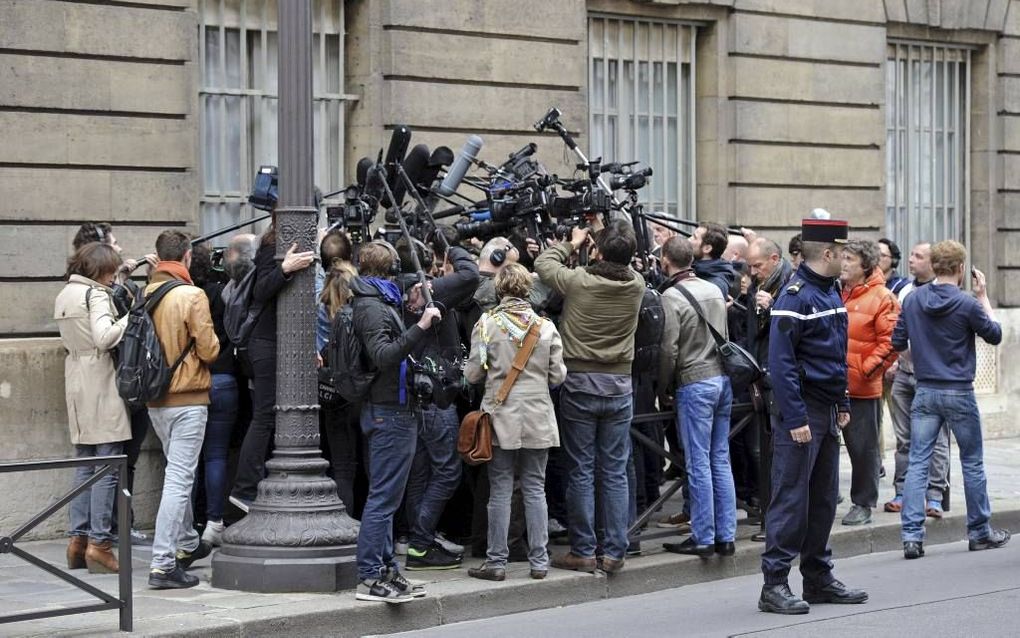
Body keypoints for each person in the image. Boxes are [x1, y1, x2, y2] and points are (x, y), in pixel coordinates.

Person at [759, 217, 868, 615]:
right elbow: (781, 365)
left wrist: (841, 402)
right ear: (827, 253)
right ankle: (774, 584)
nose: (846, 259)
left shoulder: (830, 292)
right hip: (801, 413)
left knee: (822, 499)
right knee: (791, 499)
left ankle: (818, 577)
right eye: (842, 253)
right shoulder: (796, 297)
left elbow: (835, 356)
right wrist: (795, 417)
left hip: (824, 410)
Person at [535, 221, 645, 574]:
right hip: (619, 385)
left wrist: (572, 243)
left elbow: (542, 265)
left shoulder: (579, 280)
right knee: (614, 471)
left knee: (580, 469)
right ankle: (614, 551)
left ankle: (583, 550)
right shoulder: (637, 285)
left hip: (580, 382)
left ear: (597, 251)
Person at [893, 240, 1009, 559]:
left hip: (925, 388)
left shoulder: (914, 300)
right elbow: (995, 334)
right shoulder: (967, 303)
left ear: (934, 265)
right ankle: (979, 531)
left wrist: (920, 362)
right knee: (971, 462)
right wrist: (983, 296)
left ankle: (912, 537)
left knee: (918, 462)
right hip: (958, 389)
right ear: (960, 269)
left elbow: (898, 341)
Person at [464, 263, 567, 581]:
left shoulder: (486, 324)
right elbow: (558, 375)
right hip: (538, 415)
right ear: (527, 290)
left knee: (500, 490)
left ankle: (496, 562)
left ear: (499, 290)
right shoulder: (546, 327)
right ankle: (539, 561)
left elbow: (473, 374)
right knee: (535, 488)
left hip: (501, 416)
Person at [351, 241, 440, 604]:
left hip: (394, 408)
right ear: (388, 270)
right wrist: (419, 325)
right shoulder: (371, 306)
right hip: (388, 410)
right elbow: (385, 355)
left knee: (388, 497)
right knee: (383, 499)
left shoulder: (381, 299)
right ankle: (369, 576)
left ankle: (386, 568)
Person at [72, 222, 157, 544]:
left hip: (88, 383)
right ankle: (105, 535)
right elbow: (108, 334)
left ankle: (84, 536)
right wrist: (134, 305)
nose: (120, 250)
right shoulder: (97, 295)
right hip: (118, 382)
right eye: (114, 245)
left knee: (91, 460)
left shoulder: (75, 291)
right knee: (116, 459)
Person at [145, 230, 220, 589]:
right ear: (187, 257)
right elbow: (209, 351)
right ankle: (162, 564)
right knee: (179, 479)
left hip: (154, 398)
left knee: (177, 472)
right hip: (187, 398)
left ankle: (188, 542)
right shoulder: (192, 295)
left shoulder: (145, 293)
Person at [399, 237, 479, 570]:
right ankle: (420, 541)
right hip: (437, 394)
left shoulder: (392, 290)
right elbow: (471, 275)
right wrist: (452, 246)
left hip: (412, 393)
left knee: (420, 473)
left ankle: (419, 541)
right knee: (447, 471)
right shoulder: (429, 291)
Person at [656, 237, 736, 557]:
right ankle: (726, 534)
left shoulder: (671, 296)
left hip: (694, 381)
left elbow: (668, 349)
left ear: (665, 261)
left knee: (698, 462)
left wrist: (663, 387)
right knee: (720, 458)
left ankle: (703, 536)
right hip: (721, 379)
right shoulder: (714, 290)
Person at [229, 220, 316, 512]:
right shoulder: (270, 247)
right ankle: (244, 488)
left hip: (274, 344)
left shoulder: (281, 244)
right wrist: (284, 269)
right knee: (264, 415)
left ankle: (254, 484)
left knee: (268, 414)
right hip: (264, 343)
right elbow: (262, 290)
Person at [55, 242, 130, 574]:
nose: (113, 276)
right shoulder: (96, 295)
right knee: (107, 466)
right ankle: (100, 545)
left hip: (75, 379)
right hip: (101, 379)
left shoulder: (65, 294)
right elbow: (104, 337)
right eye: (111, 270)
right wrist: (130, 318)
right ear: (101, 269)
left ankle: (77, 542)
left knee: (85, 463)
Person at [884, 243, 950, 516]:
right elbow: (897, 332)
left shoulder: (946, 294)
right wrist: (896, 361)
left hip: (932, 379)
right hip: (904, 375)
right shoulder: (906, 291)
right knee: (904, 439)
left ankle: (934, 496)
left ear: (933, 263)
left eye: (918, 256)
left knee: (937, 440)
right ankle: (903, 491)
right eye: (910, 255)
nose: (911, 260)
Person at [838, 240, 899, 527]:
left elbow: (891, 343)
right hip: (833, 386)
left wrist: (865, 370)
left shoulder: (883, 297)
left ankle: (863, 503)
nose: (843, 263)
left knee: (863, 450)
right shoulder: (836, 292)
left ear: (865, 264)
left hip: (862, 388)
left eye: (849, 258)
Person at [189, 243, 237, 547]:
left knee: (186, 460)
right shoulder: (221, 293)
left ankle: (188, 522)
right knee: (216, 455)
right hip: (223, 375)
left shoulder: (180, 296)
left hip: (192, 380)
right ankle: (214, 520)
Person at [317, 230, 362, 516]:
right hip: (359, 391)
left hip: (332, 390)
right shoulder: (362, 303)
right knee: (357, 464)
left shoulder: (320, 304)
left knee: (340, 462)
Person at [689, 222, 737, 299]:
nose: (689, 240)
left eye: (694, 237)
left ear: (707, 248)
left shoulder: (716, 284)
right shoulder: (694, 269)